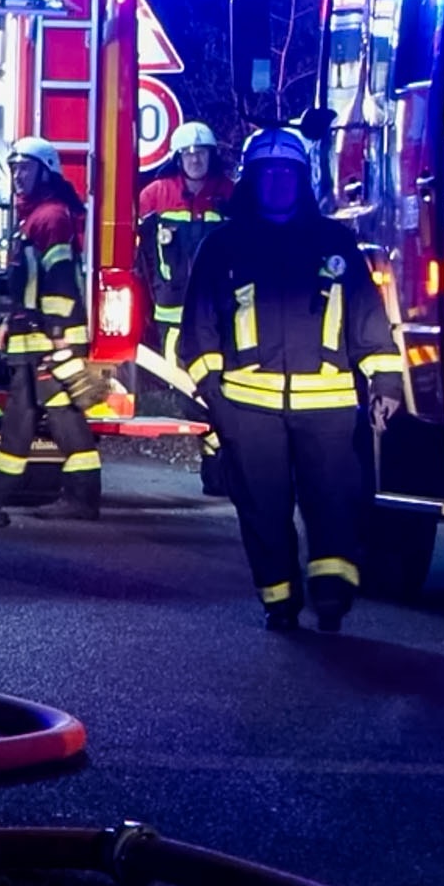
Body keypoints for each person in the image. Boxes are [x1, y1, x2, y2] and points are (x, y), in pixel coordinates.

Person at [179, 127, 400, 633]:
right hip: (248, 411)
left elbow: (368, 320)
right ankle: (279, 600)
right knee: (263, 508)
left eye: (287, 173)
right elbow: (198, 332)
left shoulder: (334, 242)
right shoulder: (223, 247)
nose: (277, 182)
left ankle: (332, 594)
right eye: (267, 173)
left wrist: (385, 383)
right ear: (250, 180)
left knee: (335, 503)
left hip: (329, 408)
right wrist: (218, 401)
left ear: (302, 179)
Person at [0, 135, 103, 521]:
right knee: (28, 416)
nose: (18, 176)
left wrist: (56, 338)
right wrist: (5, 324)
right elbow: (27, 287)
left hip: (48, 340)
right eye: (15, 168)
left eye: (27, 168)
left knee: (53, 415)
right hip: (31, 339)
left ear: (46, 173)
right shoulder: (33, 217)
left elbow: (60, 279)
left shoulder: (50, 217)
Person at [138, 121, 232, 365]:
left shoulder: (230, 194)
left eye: (201, 153)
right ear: (177, 158)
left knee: (216, 364)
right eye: (188, 154)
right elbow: (141, 254)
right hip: (171, 306)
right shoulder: (154, 195)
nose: (195, 161)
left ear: (212, 157)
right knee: (175, 371)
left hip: (218, 302)